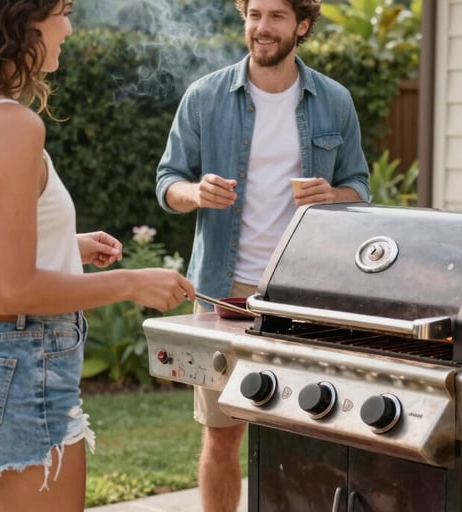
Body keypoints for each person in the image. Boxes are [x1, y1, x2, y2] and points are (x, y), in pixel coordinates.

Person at [0, 1, 196, 511]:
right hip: (21, 371)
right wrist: (133, 283)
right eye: (62, 12)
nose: (68, 27)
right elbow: (14, 289)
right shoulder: (11, 125)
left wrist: (66, 247)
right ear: (19, 20)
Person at [155, 0, 371, 509]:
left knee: (307, 437)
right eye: (254, 14)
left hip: (302, 301)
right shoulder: (205, 96)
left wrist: (332, 196)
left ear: (302, 24)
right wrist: (195, 193)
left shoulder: (334, 101)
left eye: (276, 16)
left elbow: (360, 187)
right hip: (223, 296)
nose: (262, 27)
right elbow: (167, 182)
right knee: (222, 437)